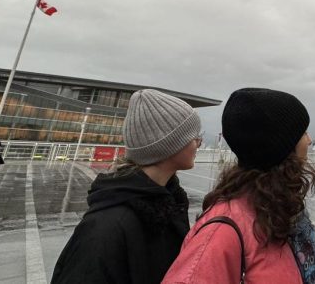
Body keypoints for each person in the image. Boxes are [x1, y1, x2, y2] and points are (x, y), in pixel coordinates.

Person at [163, 88, 315, 284]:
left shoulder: (279, 211)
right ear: (280, 148)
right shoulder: (222, 231)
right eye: (303, 132)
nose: (309, 140)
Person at [52, 89, 203, 284]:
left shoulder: (169, 205)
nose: (198, 143)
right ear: (169, 145)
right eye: (193, 137)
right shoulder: (106, 229)